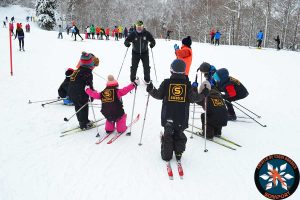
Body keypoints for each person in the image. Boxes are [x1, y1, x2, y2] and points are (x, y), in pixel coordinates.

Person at [146, 59, 207, 163]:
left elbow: (159, 95)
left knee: (168, 134)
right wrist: (204, 94)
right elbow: (193, 98)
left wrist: (151, 89)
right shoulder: (187, 85)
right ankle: (178, 152)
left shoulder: (167, 82)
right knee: (179, 133)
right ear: (184, 71)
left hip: (168, 115)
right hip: (181, 116)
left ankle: (166, 155)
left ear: (171, 70)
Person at [68, 52, 99, 130]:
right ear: (90, 63)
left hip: (72, 92)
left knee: (78, 106)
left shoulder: (77, 71)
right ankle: (84, 124)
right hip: (80, 93)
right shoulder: (87, 73)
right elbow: (89, 85)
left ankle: (81, 121)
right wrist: (92, 94)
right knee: (84, 107)